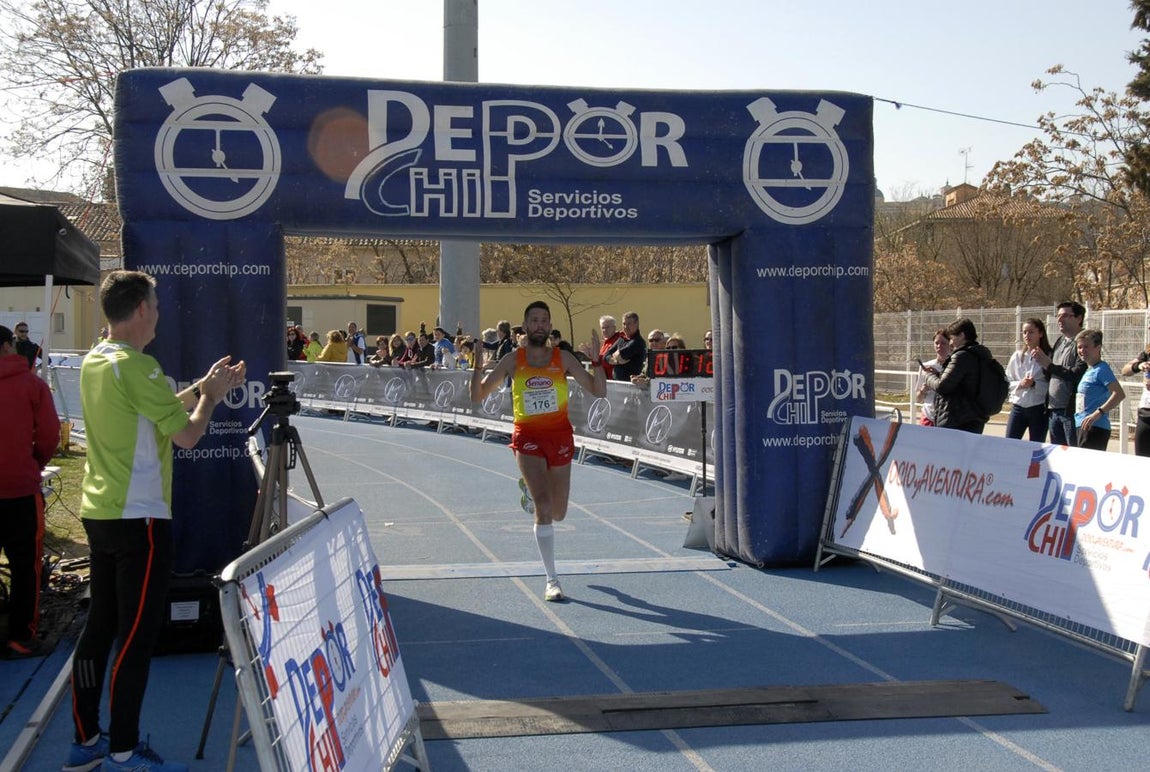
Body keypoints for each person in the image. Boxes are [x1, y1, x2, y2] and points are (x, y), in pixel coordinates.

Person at [67, 270, 245, 772]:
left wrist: (201, 386)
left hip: (101, 511)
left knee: (99, 629)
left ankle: (86, 739)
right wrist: (211, 399)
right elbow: (186, 436)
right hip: (140, 517)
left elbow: (153, 408)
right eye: (157, 306)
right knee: (137, 636)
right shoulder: (139, 366)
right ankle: (123, 749)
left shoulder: (97, 360)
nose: (159, 315)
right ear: (142, 310)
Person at [470, 301, 606, 602]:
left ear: (550, 326)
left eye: (544, 320)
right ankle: (551, 579)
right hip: (528, 437)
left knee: (558, 513)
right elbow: (477, 395)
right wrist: (478, 366)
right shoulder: (512, 360)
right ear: (525, 325)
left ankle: (531, 493)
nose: (540, 325)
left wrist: (597, 362)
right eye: (534, 320)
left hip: (559, 437)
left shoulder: (563, 358)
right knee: (544, 509)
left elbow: (599, 391)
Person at [0, 324, 60, 659]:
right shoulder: (33, 386)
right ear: (8, 346)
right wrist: (33, 462)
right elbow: (49, 435)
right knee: (26, 567)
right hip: (21, 490)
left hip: (19, 484)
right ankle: (21, 637)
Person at [920, 317, 993, 434]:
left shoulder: (961, 356)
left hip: (959, 417)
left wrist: (928, 376)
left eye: (952, 337)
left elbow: (942, 386)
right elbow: (959, 381)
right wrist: (938, 374)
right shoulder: (982, 355)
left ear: (962, 335)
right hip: (977, 417)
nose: (951, 342)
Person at [1033, 301, 1087, 446]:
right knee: (1058, 453)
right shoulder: (1060, 341)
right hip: (1053, 409)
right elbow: (1051, 372)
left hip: (1070, 411)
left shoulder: (1083, 343)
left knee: (1073, 453)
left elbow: (1077, 373)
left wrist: (1049, 365)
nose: (1060, 320)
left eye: (1065, 316)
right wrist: (1043, 364)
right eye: (1058, 316)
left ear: (1079, 318)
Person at [1074, 329, 1125, 452]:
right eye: (1079, 347)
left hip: (1094, 427)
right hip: (1082, 425)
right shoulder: (1090, 369)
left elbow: (1119, 394)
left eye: (1086, 346)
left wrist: (1098, 413)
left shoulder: (1102, 369)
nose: (1082, 350)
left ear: (1098, 347)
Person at [1005, 318, 1052, 442]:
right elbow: (1007, 380)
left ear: (1040, 333)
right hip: (1018, 407)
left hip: (1038, 408)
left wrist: (1034, 384)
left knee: (1036, 445)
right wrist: (1020, 384)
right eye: (1024, 332)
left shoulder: (1048, 356)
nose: (1027, 335)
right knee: (1010, 442)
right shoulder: (1017, 356)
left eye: (1031, 332)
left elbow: (1052, 384)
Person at [1121, 329, 1150, 456]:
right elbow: (1125, 370)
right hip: (1145, 413)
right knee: (1141, 459)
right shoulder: (1147, 352)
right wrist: (1139, 366)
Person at [914, 328, 951, 427]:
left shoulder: (954, 366)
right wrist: (923, 390)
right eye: (936, 343)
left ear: (950, 344)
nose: (939, 346)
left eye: (943, 343)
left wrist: (937, 376)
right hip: (928, 417)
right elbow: (918, 399)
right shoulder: (926, 366)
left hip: (947, 418)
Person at [604, 311, 647, 382]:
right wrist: (617, 361)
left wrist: (615, 356)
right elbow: (606, 356)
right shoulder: (621, 339)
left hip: (631, 384)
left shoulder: (638, 342)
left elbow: (620, 355)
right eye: (624, 324)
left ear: (636, 324)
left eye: (629, 324)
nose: (625, 327)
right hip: (617, 382)